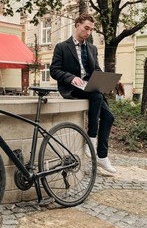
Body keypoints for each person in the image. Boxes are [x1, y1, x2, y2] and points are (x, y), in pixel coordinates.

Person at [50, 13, 116, 173]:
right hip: (72, 88)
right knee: (96, 95)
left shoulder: (92, 48)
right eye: (86, 28)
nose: (88, 32)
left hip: (90, 87)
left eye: (91, 30)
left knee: (109, 117)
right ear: (77, 24)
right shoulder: (62, 47)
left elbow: (97, 70)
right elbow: (54, 70)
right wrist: (70, 77)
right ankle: (90, 138)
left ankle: (101, 156)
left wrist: (110, 81)